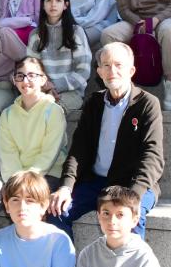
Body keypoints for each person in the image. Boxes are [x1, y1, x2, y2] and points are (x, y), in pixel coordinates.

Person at [49, 43, 164, 240]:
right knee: (56, 210)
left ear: (131, 70)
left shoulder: (148, 104)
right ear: (99, 72)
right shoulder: (94, 103)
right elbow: (79, 149)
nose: (113, 71)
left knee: (128, 218)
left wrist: (133, 196)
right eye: (107, 65)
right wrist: (66, 187)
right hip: (96, 182)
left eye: (119, 65)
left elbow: (152, 156)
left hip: (133, 183)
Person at [0, 57, 69, 195]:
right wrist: (16, 179)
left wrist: (27, 180)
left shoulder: (53, 111)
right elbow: (8, 153)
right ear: (14, 80)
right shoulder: (7, 114)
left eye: (31, 75)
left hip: (47, 174)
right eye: (20, 76)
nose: (25, 81)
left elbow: (49, 153)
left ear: (43, 80)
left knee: (27, 199)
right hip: (15, 176)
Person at [26, 0, 93, 110]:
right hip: (42, 90)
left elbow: (83, 70)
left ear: (65, 5)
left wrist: (55, 86)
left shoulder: (76, 32)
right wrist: (45, 87)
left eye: (58, 0)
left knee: (50, 111)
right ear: (42, 5)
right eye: (48, 0)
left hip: (72, 92)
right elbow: (31, 69)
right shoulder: (35, 35)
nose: (53, 4)